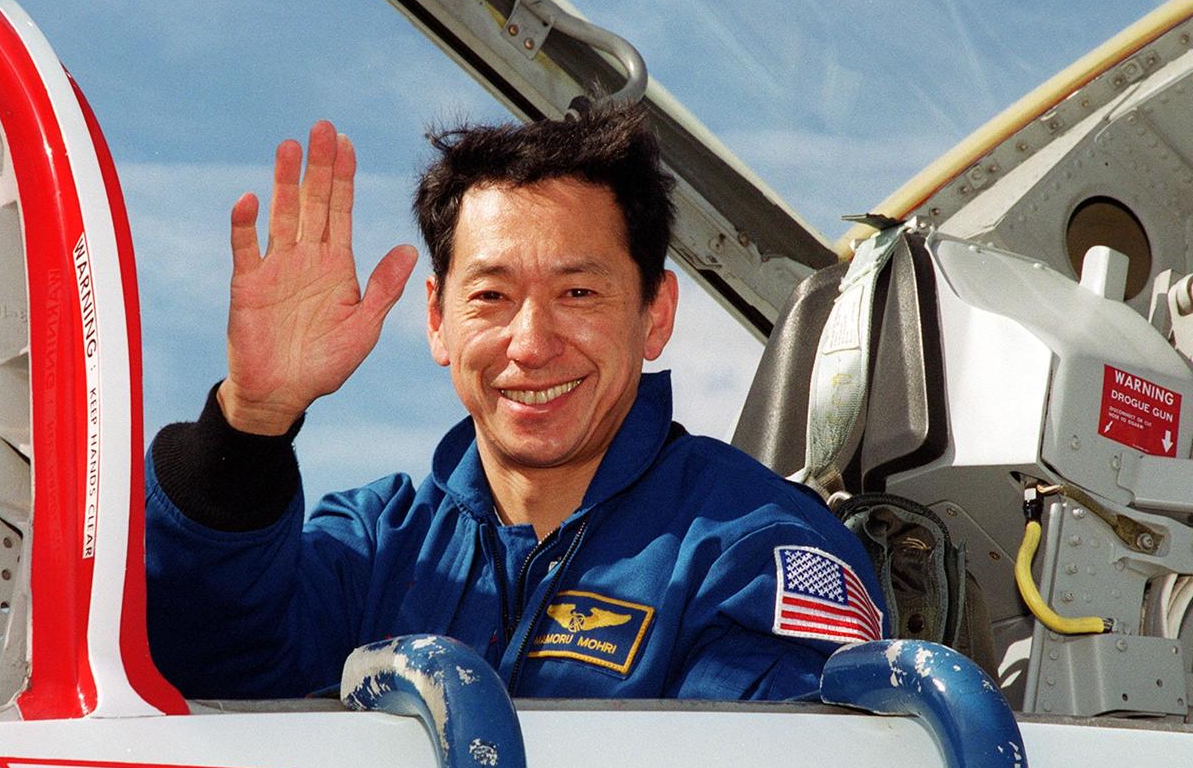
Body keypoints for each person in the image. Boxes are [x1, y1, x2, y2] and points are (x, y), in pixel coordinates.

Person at [144, 101, 886, 701]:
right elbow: (204, 664)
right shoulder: (375, 548)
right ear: (438, 321)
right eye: (492, 295)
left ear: (655, 314)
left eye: (578, 292)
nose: (530, 343)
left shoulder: (754, 551)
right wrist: (252, 422)